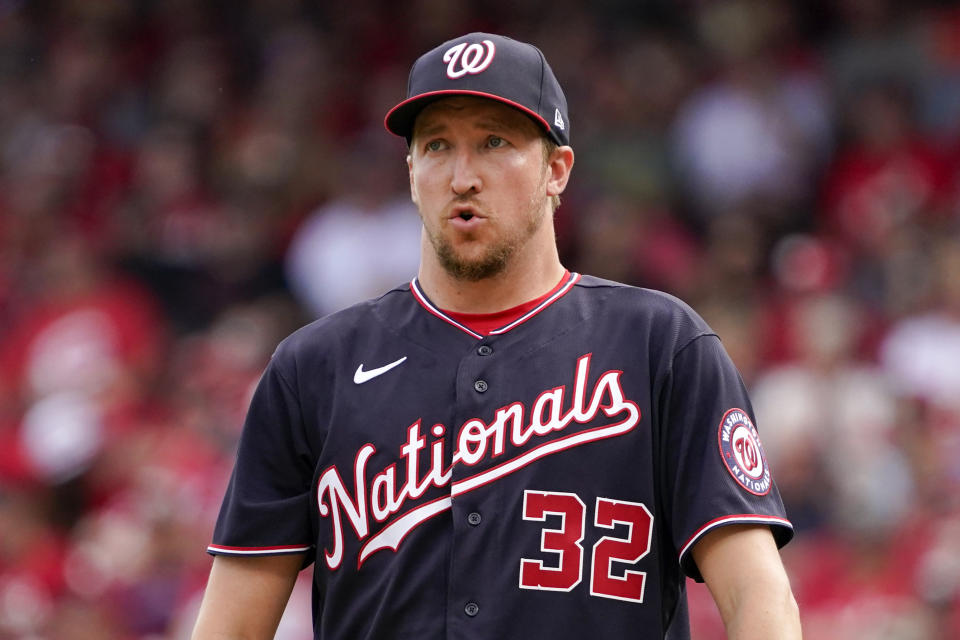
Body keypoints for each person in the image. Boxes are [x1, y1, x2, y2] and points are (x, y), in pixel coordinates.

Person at [191, 33, 802, 640]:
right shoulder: (314, 367)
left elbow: (758, 597)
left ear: (556, 170)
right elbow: (230, 626)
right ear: (411, 174)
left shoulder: (659, 346)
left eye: (494, 142)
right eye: (437, 146)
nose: (463, 177)